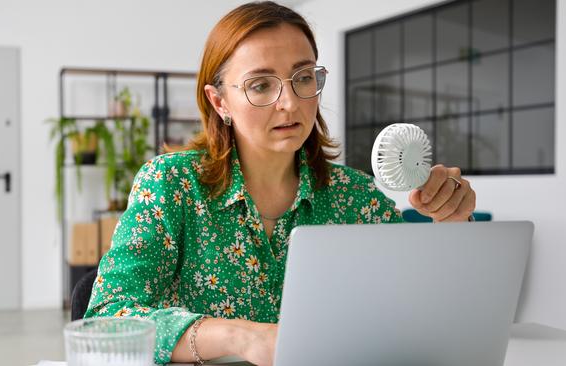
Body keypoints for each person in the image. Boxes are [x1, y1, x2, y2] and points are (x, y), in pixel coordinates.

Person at [83, 2, 477, 365]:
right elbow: (106, 321)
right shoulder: (172, 184)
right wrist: (243, 337)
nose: (289, 102)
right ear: (220, 102)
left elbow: (423, 314)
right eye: (261, 85)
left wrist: (453, 227)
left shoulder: (356, 198)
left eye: (303, 77)